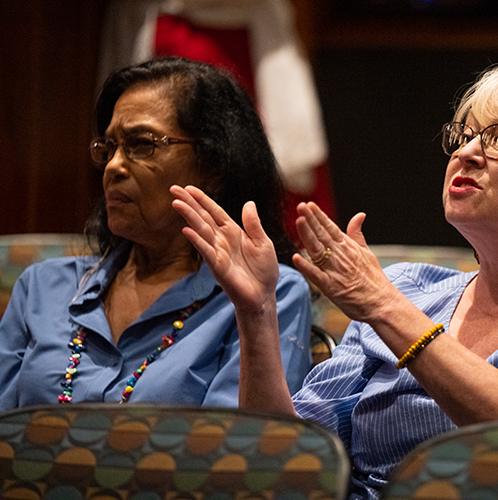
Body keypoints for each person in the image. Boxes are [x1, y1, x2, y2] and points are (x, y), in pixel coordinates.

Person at [171, 54, 498, 499]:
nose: (466, 152)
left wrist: (385, 309)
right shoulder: (411, 287)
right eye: (464, 135)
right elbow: (288, 459)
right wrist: (255, 314)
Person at [0, 57, 311, 410]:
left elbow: (255, 449)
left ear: (213, 165)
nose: (114, 166)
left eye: (141, 144)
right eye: (109, 147)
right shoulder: (42, 288)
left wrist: (255, 312)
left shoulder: (268, 294)